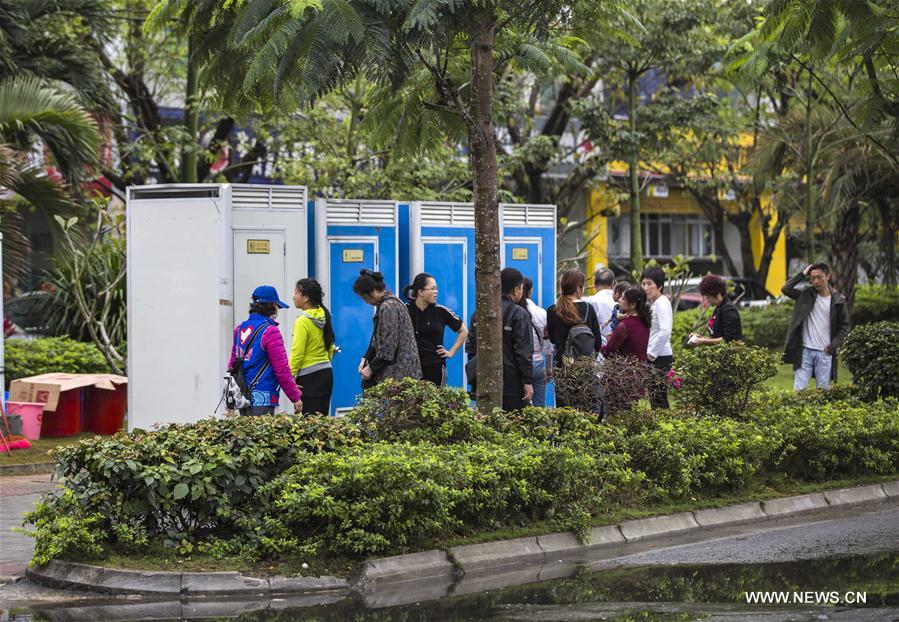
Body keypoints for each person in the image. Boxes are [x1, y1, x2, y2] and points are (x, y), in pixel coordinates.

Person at [465, 268, 535, 411]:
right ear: (516, 290)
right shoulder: (519, 314)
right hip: (511, 385)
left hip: (483, 381)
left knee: (487, 420)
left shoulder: (479, 313)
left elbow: (471, 349)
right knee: (512, 422)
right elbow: (523, 352)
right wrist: (527, 381)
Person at [228, 285, 302, 416]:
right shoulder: (271, 331)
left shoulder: (239, 329)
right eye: (277, 306)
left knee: (246, 429)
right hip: (263, 397)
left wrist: (230, 399)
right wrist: (295, 397)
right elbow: (282, 369)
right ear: (272, 306)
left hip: (242, 396)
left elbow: (232, 365)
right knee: (262, 429)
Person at [781, 262, 850, 390]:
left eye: (819, 277)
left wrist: (832, 347)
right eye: (812, 278)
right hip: (804, 351)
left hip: (825, 352)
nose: (816, 281)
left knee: (822, 393)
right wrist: (803, 274)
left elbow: (844, 327)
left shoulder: (838, 300)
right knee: (799, 392)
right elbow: (786, 289)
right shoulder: (805, 294)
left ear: (828, 276)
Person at [354, 269, 422, 388]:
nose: (366, 302)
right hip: (401, 374)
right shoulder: (390, 303)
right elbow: (377, 340)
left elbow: (388, 347)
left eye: (365, 297)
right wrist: (365, 358)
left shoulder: (388, 307)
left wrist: (370, 368)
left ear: (372, 292)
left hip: (399, 376)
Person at [547, 269, 602, 407]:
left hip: (562, 365)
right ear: (578, 288)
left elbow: (553, 339)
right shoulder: (588, 308)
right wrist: (589, 358)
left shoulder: (553, 310)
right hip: (584, 365)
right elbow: (597, 341)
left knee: (565, 406)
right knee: (585, 405)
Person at [403, 273, 468, 386]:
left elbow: (464, 331)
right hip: (410, 367)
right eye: (432, 288)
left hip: (435, 366)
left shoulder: (441, 311)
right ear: (420, 292)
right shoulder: (405, 310)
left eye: (436, 288)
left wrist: (451, 352)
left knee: (436, 397)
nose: (436, 292)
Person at [289, 278, 335, 415]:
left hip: (308, 377)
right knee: (322, 421)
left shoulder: (302, 321)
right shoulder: (324, 315)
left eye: (296, 293)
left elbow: (297, 352)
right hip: (326, 373)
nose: (293, 296)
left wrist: (290, 378)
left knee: (310, 423)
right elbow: (330, 346)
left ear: (306, 297)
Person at [641, 266, 673, 409]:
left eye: (649, 284)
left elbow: (665, 330)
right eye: (643, 284)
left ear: (659, 286)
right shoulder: (654, 303)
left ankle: (664, 422)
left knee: (658, 398)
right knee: (655, 397)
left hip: (659, 356)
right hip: (655, 355)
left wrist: (652, 354)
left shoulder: (662, 303)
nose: (645, 287)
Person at [688, 274, 743, 346]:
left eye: (708, 297)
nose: (707, 300)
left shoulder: (729, 310)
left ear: (717, 294)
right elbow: (716, 338)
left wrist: (702, 340)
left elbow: (729, 340)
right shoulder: (719, 308)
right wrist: (699, 338)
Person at [521, 278, 551, 407]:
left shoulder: (515, 311)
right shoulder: (541, 312)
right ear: (531, 291)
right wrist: (548, 367)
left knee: (520, 405)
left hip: (521, 364)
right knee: (540, 407)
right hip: (539, 362)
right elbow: (548, 344)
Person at [601, 286, 651, 362]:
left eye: (623, 298)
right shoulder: (644, 321)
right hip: (640, 367)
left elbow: (609, 352)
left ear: (632, 304)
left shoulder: (625, 325)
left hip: (625, 368)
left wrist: (605, 344)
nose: (619, 300)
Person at [584, 267, 617, 344]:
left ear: (594, 285)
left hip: (598, 347)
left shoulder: (590, 301)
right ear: (613, 284)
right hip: (619, 348)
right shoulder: (622, 300)